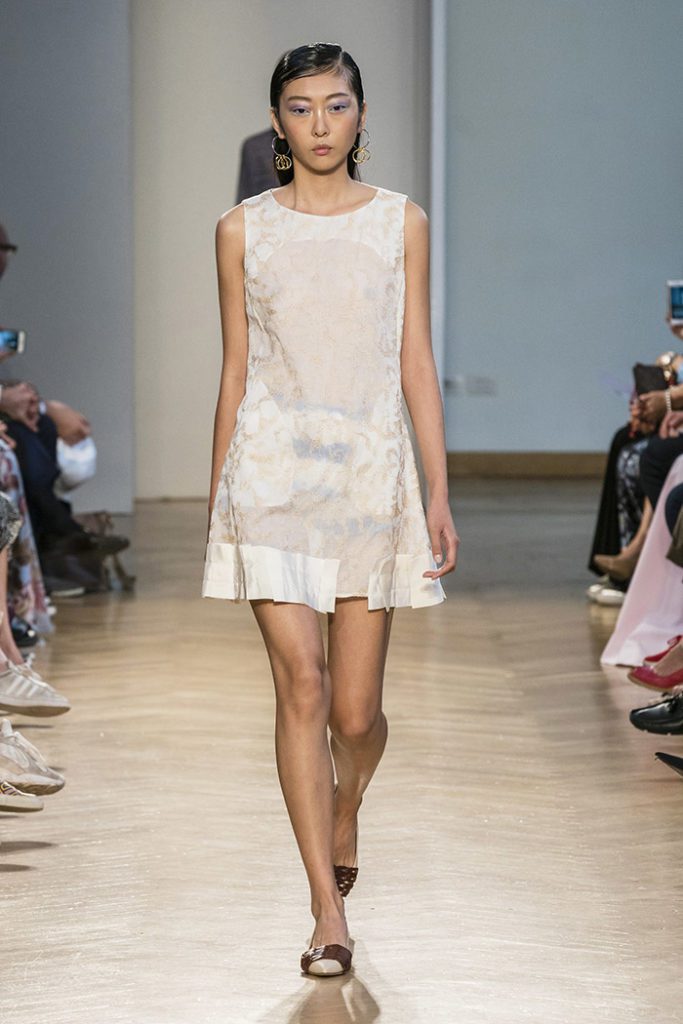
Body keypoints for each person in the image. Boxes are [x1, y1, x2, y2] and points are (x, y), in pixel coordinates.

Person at [201, 43, 458, 977]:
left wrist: (437, 489)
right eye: (301, 107)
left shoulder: (400, 222)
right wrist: (220, 502)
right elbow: (235, 369)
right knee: (300, 689)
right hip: (270, 477)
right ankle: (325, 911)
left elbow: (414, 361)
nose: (319, 124)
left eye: (336, 105)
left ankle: (348, 802)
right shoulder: (241, 229)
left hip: (366, 477)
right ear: (276, 121)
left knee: (354, 715)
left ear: (360, 115)